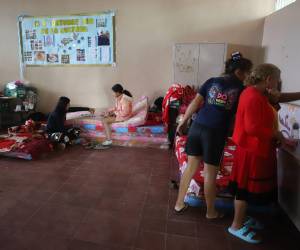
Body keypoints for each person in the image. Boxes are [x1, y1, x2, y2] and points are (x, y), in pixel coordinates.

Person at [174, 52, 253, 219]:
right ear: (239, 72)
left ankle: (179, 204)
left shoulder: (212, 81)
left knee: (190, 168)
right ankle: (211, 212)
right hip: (214, 133)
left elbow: (196, 103)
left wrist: (183, 122)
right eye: (247, 73)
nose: (248, 76)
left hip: (196, 127)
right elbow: (240, 116)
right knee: (210, 173)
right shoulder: (242, 89)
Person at [227, 64, 296, 244]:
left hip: (252, 148)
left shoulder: (257, 94)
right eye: (277, 80)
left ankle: (240, 218)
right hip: (251, 151)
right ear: (268, 79)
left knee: (244, 189)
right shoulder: (253, 96)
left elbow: (272, 108)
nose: (278, 83)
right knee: (243, 190)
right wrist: (277, 134)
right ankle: (236, 226)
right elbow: (252, 127)